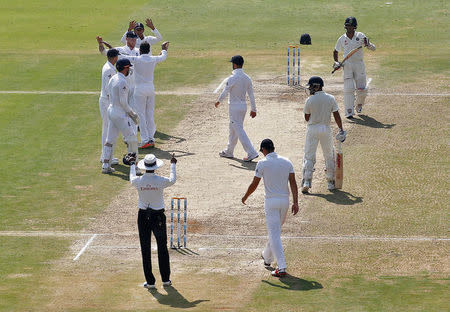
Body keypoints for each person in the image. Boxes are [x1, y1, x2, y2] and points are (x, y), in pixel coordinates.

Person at [242, 139, 299, 277]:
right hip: (284, 202)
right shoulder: (287, 162)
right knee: (275, 232)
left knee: (274, 234)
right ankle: (267, 256)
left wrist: (245, 196)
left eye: (262, 151)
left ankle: (282, 266)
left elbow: (254, 184)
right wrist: (295, 202)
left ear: (264, 150)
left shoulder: (263, 163)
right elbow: (293, 183)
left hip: (271, 203)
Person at [128, 153, 177, 289]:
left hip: (143, 216)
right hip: (158, 216)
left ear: (144, 167)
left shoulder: (138, 181)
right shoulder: (160, 180)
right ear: (155, 166)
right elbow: (173, 180)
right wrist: (173, 164)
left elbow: (132, 178)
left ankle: (150, 282)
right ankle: (166, 280)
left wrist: (132, 164)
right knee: (162, 247)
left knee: (145, 248)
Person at [120, 41, 169, 148]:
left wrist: (112, 49)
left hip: (139, 90)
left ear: (140, 50)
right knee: (149, 113)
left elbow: (122, 57)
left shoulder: (136, 59)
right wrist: (164, 49)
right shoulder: (153, 58)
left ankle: (145, 140)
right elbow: (163, 56)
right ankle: (151, 138)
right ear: (149, 50)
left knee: (141, 115)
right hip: (150, 89)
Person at [301, 76, 346, 193]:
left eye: (311, 86)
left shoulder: (309, 100)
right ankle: (330, 183)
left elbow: (307, 118)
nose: (310, 88)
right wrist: (341, 128)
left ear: (317, 86)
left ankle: (306, 181)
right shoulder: (330, 98)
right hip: (325, 129)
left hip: (312, 129)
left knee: (309, 155)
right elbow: (336, 115)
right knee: (329, 155)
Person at [215, 55, 259, 162]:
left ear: (234, 65)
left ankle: (251, 152)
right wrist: (254, 109)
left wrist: (219, 101)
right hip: (243, 107)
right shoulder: (247, 78)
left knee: (238, 130)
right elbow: (251, 95)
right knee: (233, 128)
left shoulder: (232, 78)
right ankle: (229, 151)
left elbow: (225, 91)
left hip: (234, 107)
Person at [101, 59, 140, 173]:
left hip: (111, 110)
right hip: (119, 113)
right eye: (128, 68)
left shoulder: (113, 78)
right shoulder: (122, 82)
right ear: (125, 68)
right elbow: (123, 102)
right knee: (132, 139)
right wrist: (132, 114)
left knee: (110, 139)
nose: (130, 70)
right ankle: (135, 167)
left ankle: (105, 165)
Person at [333, 16, 376, 118]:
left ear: (355, 27)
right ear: (345, 27)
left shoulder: (360, 36)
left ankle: (359, 105)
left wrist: (368, 44)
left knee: (362, 89)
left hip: (359, 65)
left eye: (351, 26)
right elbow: (335, 51)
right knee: (348, 89)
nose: (349, 28)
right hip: (347, 65)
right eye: (347, 26)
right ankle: (349, 112)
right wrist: (336, 62)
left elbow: (373, 48)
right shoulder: (342, 38)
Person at [99, 48, 120, 166]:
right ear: (114, 58)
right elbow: (108, 90)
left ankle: (106, 156)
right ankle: (106, 157)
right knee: (107, 129)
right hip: (106, 101)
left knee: (108, 129)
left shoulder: (109, 67)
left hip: (107, 101)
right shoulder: (109, 70)